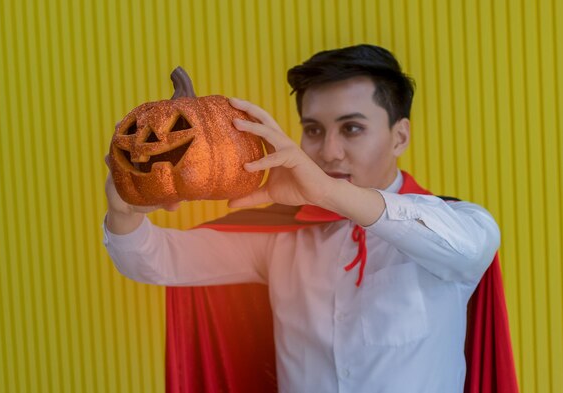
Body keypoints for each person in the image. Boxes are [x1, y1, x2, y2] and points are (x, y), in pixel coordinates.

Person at [103, 44, 501, 392]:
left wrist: (329, 192)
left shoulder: (453, 225)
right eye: (313, 130)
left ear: (400, 136)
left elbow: (470, 246)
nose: (329, 152)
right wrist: (125, 210)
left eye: (352, 128)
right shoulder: (281, 238)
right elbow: (152, 260)